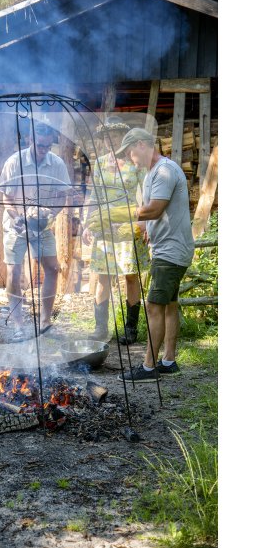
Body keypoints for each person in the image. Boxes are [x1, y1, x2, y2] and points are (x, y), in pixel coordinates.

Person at [114, 128, 195, 382]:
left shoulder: (164, 171)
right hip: (168, 248)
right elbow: (154, 212)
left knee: (153, 305)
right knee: (169, 305)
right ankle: (168, 362)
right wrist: (145, 226)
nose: (129, 158)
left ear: (141, 144)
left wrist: (123, 214)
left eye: (130, 152)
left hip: (171, 251)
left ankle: (148, 368)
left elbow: (156, 208)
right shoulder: (151, 173)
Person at [0, 119, 71, 340]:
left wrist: (49, 216)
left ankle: (46, 322)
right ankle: (19, 325)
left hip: (42, 225)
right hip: (16, 224)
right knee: (14, 271)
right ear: (30, 140)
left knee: (53, 268)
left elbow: (62, 197)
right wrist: (17, 217)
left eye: (48, 146)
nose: (44, 150)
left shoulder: (56, 163)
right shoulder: (14, 162)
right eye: (40, 145)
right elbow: (6, 198)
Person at [82, 120, 150, 343]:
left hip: (129, 226)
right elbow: (94, 197)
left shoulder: (136, 163)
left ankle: (130, 329)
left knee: (131, 276)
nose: (111, 140)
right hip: (104, 227)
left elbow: (146, 195)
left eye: (116, 135)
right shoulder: (99, 164)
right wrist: (87, 223)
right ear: (103, 140)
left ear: (124, 137)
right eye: (107, 137)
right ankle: (100, 328)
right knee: (103, 277)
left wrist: (145, 223)